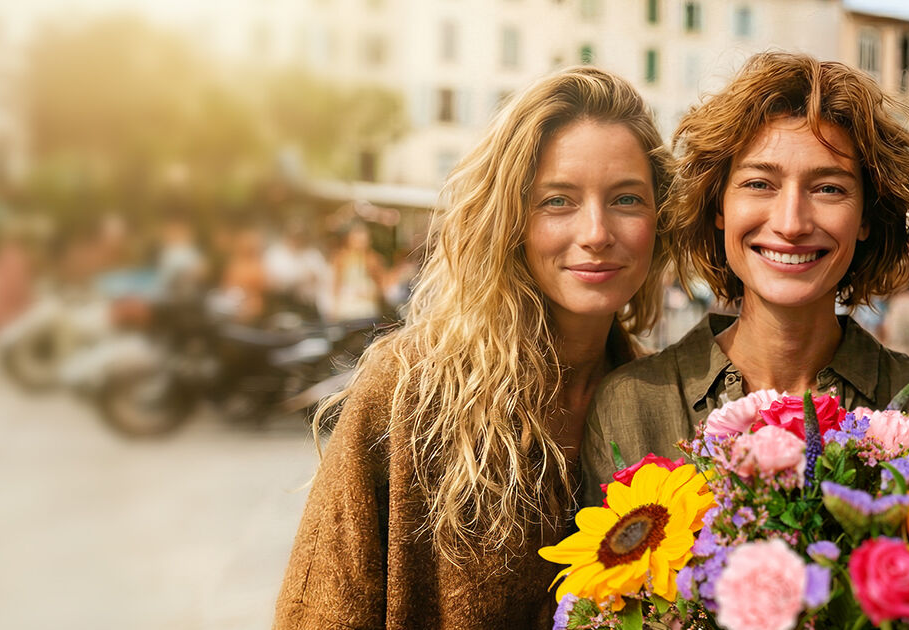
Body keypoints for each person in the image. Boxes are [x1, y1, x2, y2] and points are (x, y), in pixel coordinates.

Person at [274, 67, 673, 629]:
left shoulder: (668, 408)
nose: (596, 233)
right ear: (510, 218)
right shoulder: (408, 389)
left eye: (626, 199)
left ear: (661, 218)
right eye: (558, 200)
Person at [582, 52, 909, 506]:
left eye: (829, 188)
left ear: (866, 217)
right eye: (760, 184)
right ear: (719, 206)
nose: (791, 223)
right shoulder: (631, 406)